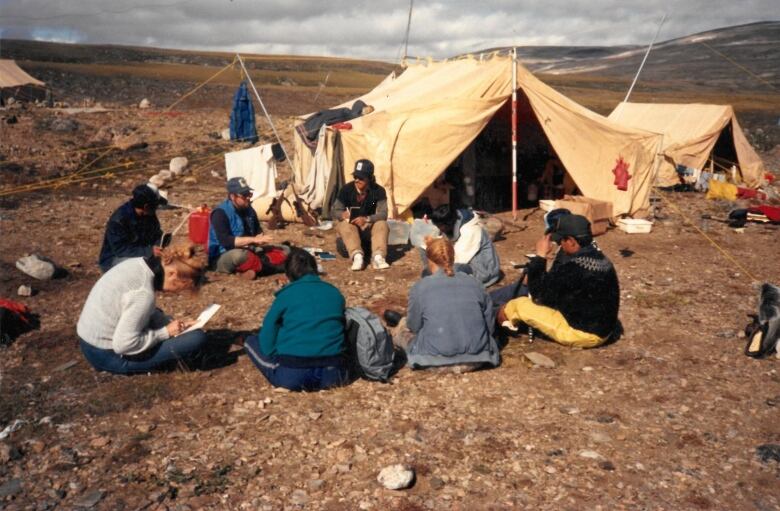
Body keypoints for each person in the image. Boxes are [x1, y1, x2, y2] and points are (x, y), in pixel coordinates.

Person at [77, 244, 210, 374]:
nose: (178, 292)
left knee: (161, 316)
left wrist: (169, 323)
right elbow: (124, 345)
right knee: (197, 339)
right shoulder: (143, 294)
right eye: (182, 286)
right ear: (172, 274)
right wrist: (166, 332)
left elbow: (138, 310)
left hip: (88, 341)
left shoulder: (139, 263)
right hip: (108, 356)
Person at [497, 214, 620, 349]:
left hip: (585, 334)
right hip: (603, 329)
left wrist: (540, 256)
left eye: (561, 241)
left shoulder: (575, 267)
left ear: (572, 241)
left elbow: (539, 297)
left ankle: (500, 324)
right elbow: (556, 283)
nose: (560, 244)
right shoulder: (598, 257)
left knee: (515, 306)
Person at [245, 248, 350, 391]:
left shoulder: (285, 295)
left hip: (293, 373)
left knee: (251, 341)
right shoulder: (334, 292)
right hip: (334, 373)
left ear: (288, 274)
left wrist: (272, 353)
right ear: (314, 269)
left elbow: (269, 331)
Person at [393, 237, 500, 370]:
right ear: (453, 258)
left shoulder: (420, 287)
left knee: (402, 329)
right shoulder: (476, 284)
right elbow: (489, 326)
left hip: (433, 360)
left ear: (429, 260)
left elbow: (414, 326)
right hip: (478, 359)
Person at [207, 177, 287, 280]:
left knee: (284, 249)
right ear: (232, 196)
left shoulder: (249, 209)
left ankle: (252, 268)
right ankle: (274, 267)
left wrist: (259, 238)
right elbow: (226, 241)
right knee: (240, 256)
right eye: (244, 195)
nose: (248, 198)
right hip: (223, 255)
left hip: (249, 249)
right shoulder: (220, 213)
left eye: (249, 194)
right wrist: (253, 240)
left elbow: (257, 230)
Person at [332, 159, 390, 271]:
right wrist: (342, 214)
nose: (357, 180)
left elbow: (383, 213)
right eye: (355, 177)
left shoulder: (378, 191)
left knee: (382, 224)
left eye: (361, 177)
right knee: (344, 225)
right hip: (351, 231)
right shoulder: (346, 190)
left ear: (369, 178)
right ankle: (357, 256)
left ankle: (378, 257)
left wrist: (367, 219)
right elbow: (335, 210)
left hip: (368, 229)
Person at [98, 183, 167, 272]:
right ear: (146, 206)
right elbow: (120, 250)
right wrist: (150, 251)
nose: (157, 208)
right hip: (114, 259)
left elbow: (156, 233)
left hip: (140, 252)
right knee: (146, 267)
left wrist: (160, 245)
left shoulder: (148, 214)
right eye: (155, 206)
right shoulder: (119, 220)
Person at [429, 206, 501, 287]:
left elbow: (458, 259)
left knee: (443, 275)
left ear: (448, 223)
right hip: (468, 264)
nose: (439, 229)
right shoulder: (453, 224)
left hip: (485, 272)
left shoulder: (471, 231)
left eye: (440, 226)